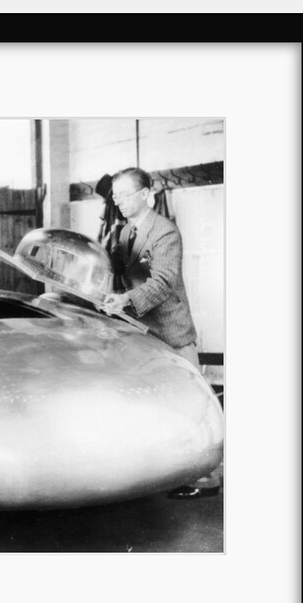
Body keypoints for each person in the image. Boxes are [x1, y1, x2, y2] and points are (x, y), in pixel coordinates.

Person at [101, 167, 220, 500]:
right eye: (115, 195)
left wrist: (126, 299)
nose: (118, 201)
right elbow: (120, 277)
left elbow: (164, 282)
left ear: (144, 194)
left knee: (193, 403)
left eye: (124, 194)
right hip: (138, 328)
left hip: (170, 329)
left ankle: (206, 477)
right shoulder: (124, 234)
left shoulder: (166, 232)